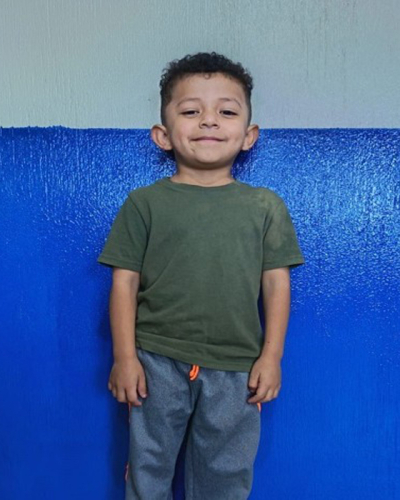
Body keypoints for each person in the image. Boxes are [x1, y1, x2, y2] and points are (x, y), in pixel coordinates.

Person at [98, 52, 305, 500]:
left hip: (237, 367)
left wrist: (272, 357)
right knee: (148, 466)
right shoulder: (143, 204)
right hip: (155, 361)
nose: (209, 120)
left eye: (226, 112)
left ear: (249, 136)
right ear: (163, 134)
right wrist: (125, 357)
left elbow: (277, 284)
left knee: (225, 474)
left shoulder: (265, 207)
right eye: (191, 111)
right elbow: (123, 283)